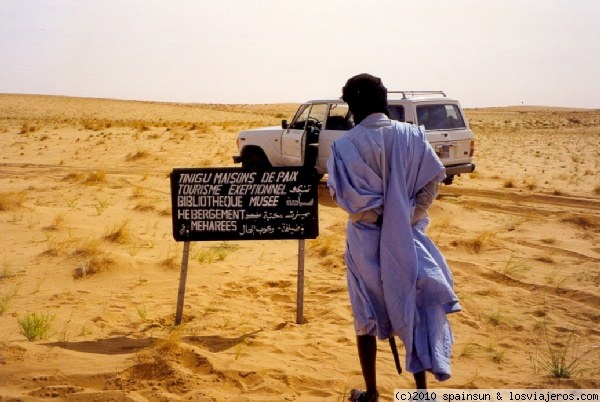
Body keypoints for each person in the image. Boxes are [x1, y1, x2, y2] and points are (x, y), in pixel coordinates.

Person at [326, 74, 461, 401]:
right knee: (410, 308)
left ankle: (371, 392)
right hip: (408, 240)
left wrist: (382, 217)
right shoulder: (412, 136)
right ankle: (420, 393)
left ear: (352, 105)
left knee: (366, 314)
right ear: (383, 101)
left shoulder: (343, 146)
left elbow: (345, 200)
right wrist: (406, 216)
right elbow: (432, 182)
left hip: (364, 243)